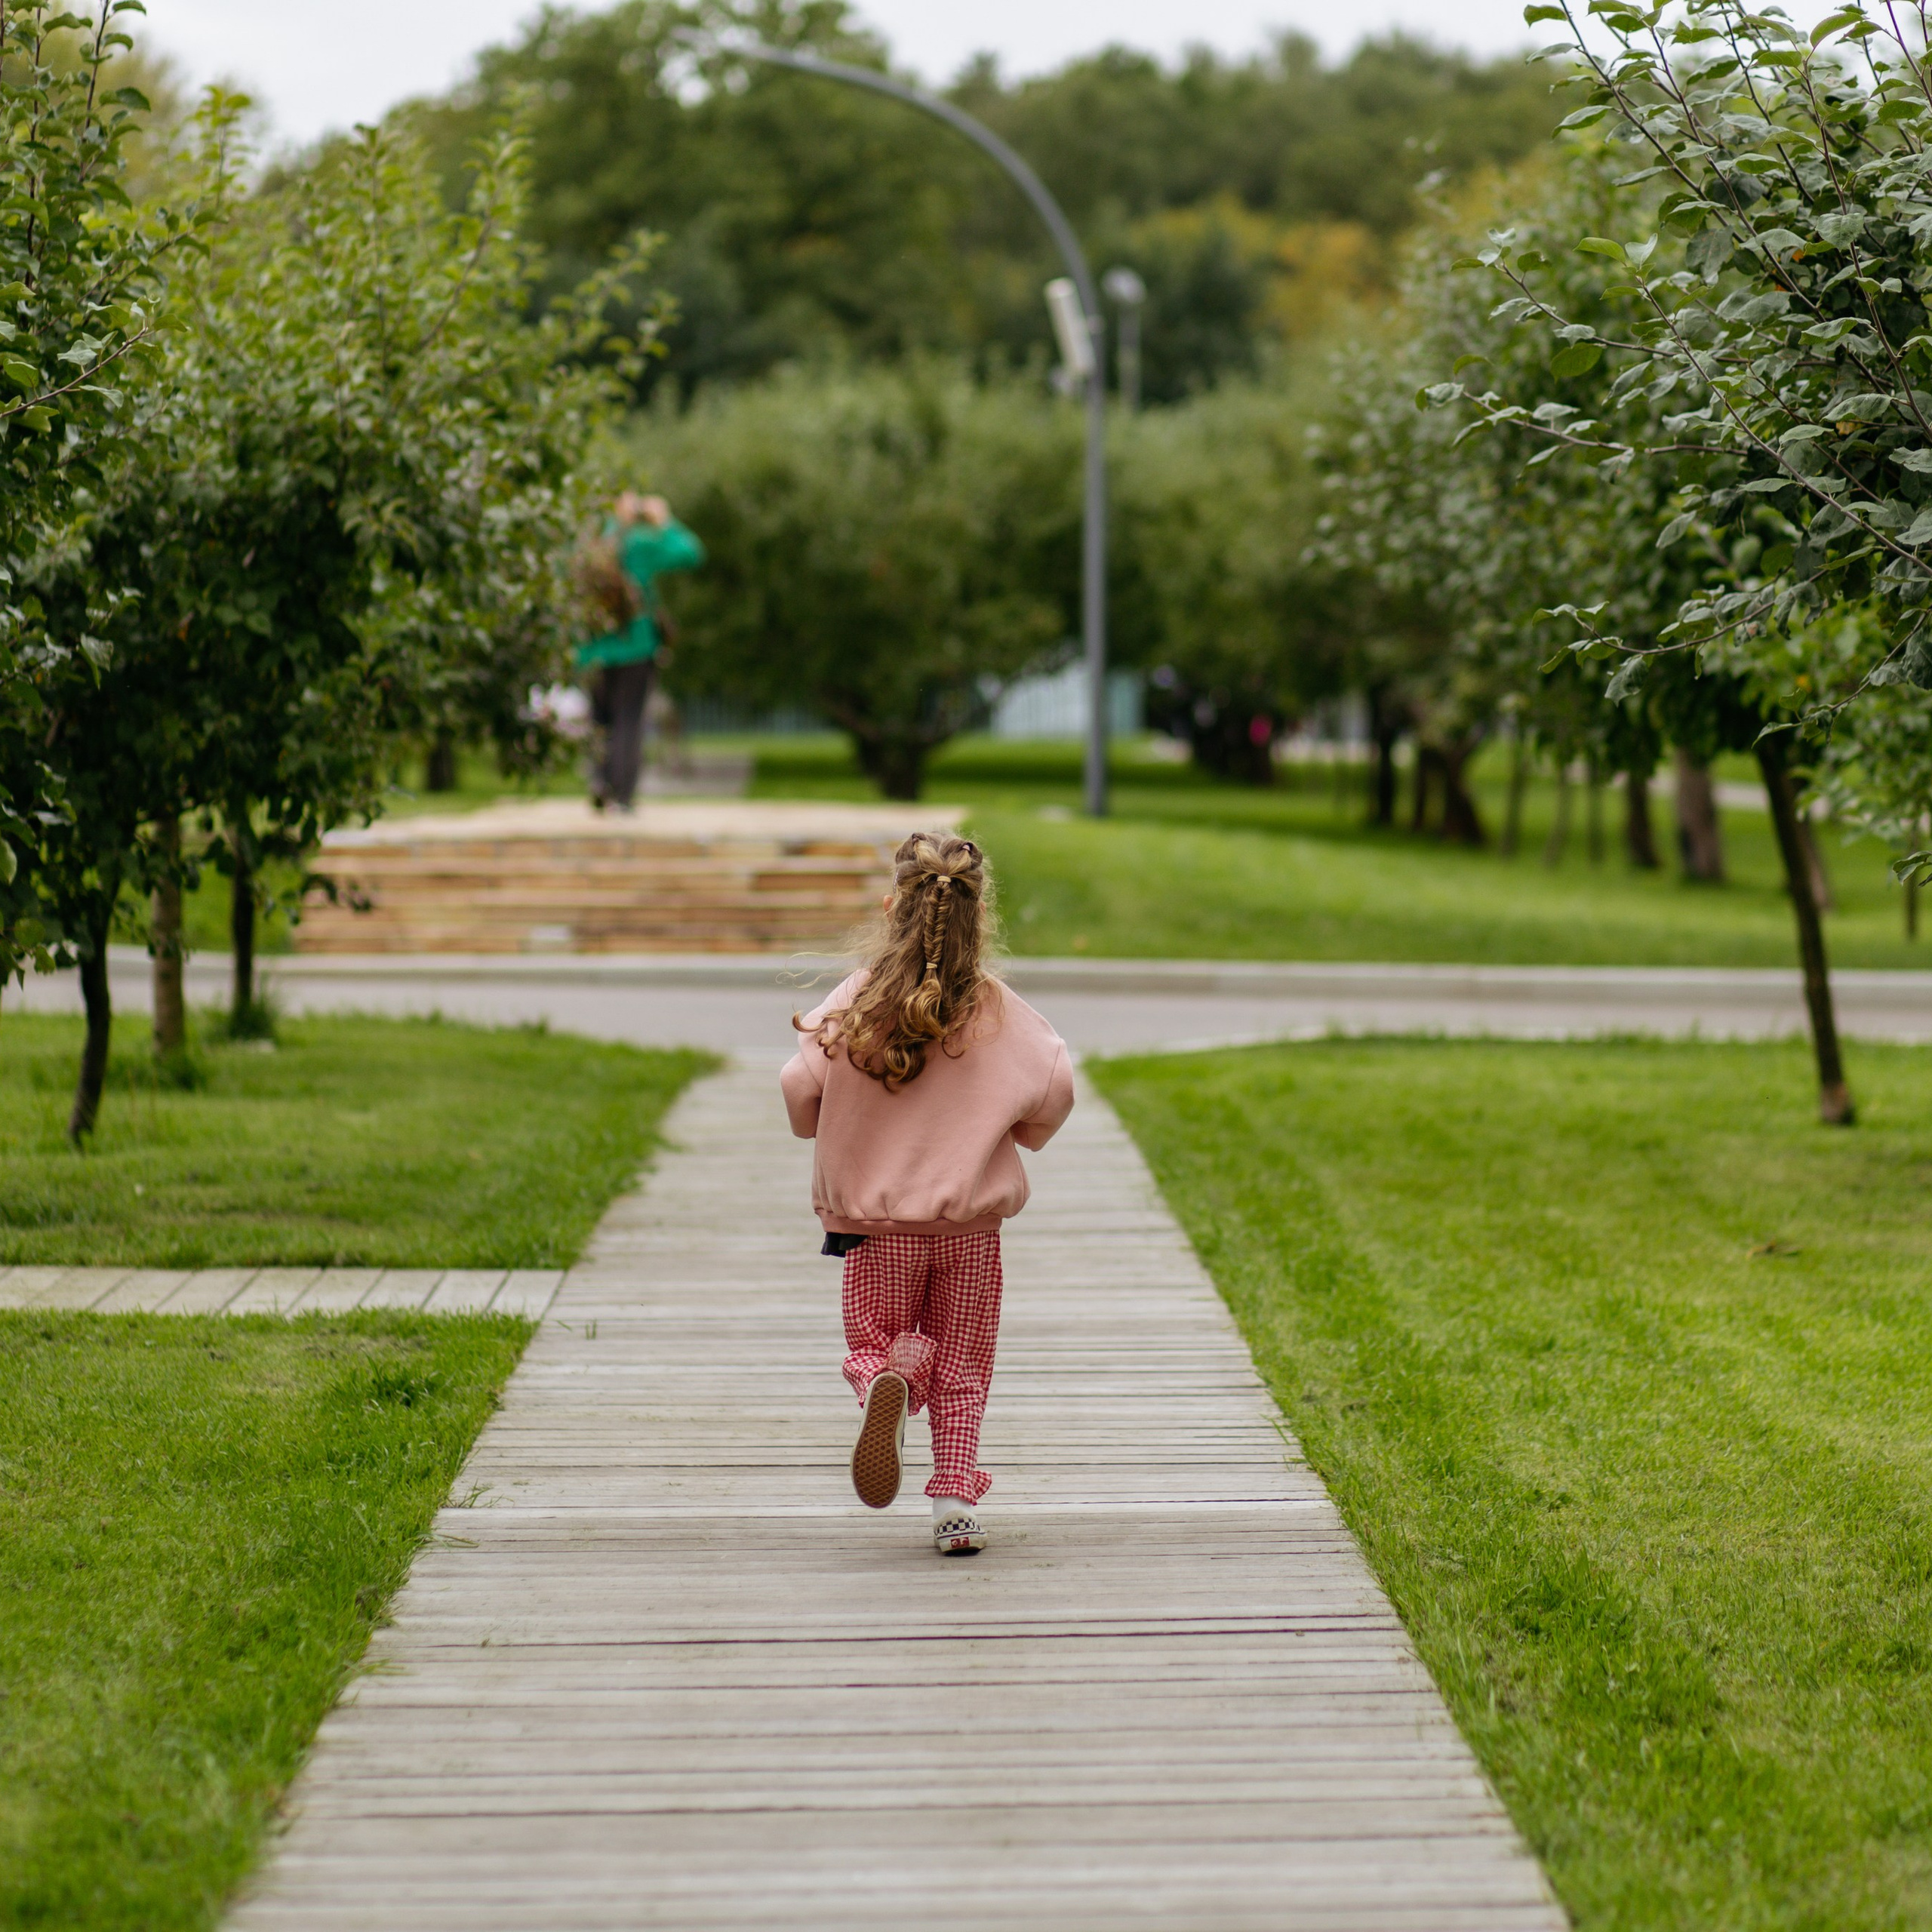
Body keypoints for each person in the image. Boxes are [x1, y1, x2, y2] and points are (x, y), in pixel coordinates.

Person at [780, 833, 1075, 1556]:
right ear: (980, 922)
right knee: (967, 1368)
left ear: (893, 912)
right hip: (970, 1234)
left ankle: (894, 1375)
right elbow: (1055, 1088)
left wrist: (824, 1123)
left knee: (871, 1344)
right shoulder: (1000, 1010)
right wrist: (1015, 1131)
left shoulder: (858, 999)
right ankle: (953, 1506)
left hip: (877, 1230)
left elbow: (797, 1087)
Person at [576, 490, 705, 810]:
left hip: (591, 649)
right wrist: (664, 520)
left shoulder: (588, 546)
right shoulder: (639, 543)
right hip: (635, 646)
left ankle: (599, 780)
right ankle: (623, 794)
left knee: (599, 721)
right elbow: (692, 553)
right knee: (628, 720)